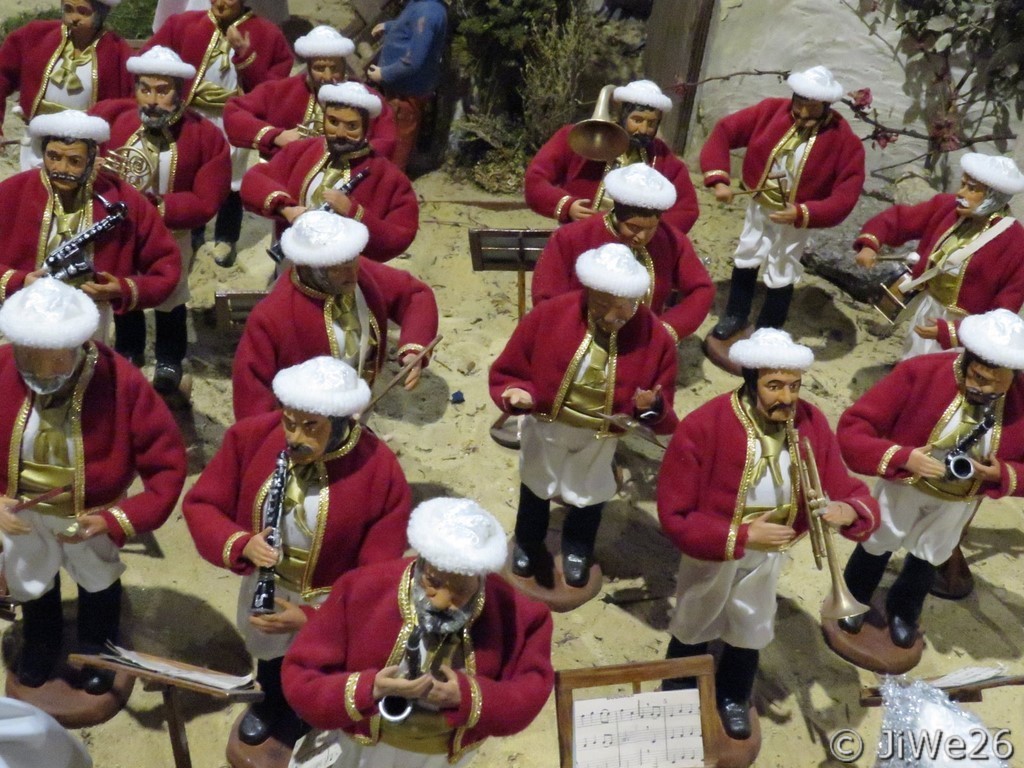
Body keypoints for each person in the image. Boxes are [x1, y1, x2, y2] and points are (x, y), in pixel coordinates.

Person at [658, 328, 878, 740]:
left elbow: (845, 486)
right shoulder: (705, 425)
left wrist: (848, 510)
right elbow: (675, 514)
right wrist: (740, 536)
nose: (787, 397)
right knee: (694, 617)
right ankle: (677, 687)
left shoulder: (810, 422)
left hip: (770, 553)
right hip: (714, 549)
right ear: (750, 381)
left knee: (752, 623)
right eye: (774, 386)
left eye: (793, 386)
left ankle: (734, 695)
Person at [183, 356, 412, 747]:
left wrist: (312, 617)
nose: (293, 436)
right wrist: (241, 543)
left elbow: (378, 573)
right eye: (290, 421)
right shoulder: (252, 438)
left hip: (329, 599)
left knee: (318, 660)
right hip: (268, 582)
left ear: (341, 423)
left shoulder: (380, 472)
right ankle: (270, 702)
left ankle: (309, 711)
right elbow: (203, 505)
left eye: (310, 427)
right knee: (269, 652)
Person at [0, 279, 186, 696]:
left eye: (55, 359)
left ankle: (97, 647)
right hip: (22, 514)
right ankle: (40, 642)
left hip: (90, 515)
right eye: (30, 357)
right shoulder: (2, 369)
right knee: (30, 577)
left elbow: (167, 464)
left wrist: (116, 520)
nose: (42, 371)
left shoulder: (121, 381)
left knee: (98, 579)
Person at [282, 496, 554, 767]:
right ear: (421, 561)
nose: (440, 601)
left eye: (459, 591)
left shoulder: (521, 616)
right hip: (362, 745)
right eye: (433, 582)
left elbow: (528, 693)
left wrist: (467, 696)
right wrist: (370, 688)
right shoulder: (360, 588)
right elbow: (301, 677)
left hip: (440, 756)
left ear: (480, 577)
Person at [491, 243, 678, 589]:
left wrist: (648, 407)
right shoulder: (551, 316)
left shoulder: (655, 338)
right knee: (535, 486)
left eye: (622, 308)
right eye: (603, 304)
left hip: (600, 434)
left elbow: (662, 405)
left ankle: (577, 548)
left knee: (591, 494)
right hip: (549, 424)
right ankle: (528, 543)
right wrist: (519, 393)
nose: (611, 316)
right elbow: (513, 367)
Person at [836, 308, 1024, 648]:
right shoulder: (921, 373)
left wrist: (1003, 474)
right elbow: (854, 428)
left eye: (993, 383)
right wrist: (904, 457)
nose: (977, 387)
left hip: (958, 500)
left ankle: (904, 609)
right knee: (878, 540)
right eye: (975, 375)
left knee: (930, 554)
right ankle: (853, 597)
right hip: (906, 484)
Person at [90, 46, 231, 395]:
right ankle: (129, 350)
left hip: (172, 234)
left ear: (179, 93)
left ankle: (170, 359)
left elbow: (207, 198)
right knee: (124, 290)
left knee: (171, 297)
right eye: (144, 88)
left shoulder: (205, 136)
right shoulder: (116, 125)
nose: (151, 100)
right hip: (123, 232)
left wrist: (157, 207)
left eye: (162, 90)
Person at [702, 66, 865, 340]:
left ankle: (769, 328)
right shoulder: (770, 112)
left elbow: (846, 194)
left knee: (783, 264)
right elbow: (725, 131)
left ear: (826, 105)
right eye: (799, 102)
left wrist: (805, 212)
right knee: (747, 252)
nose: (801, 112)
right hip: (759, 202)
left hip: (794, 215)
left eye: (811, 106)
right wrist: (719, 178)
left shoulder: (843, 141)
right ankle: (736, 314)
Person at [0, 110, 181, 354]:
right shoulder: (12, 193)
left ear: (93, 159)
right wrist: (18, 281)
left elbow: (166, 265)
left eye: (74, 161)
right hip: (23, 309)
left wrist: (122, 288)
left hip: (90, 316)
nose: (61, 168)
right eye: (53, 157)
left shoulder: (123, 199)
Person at [232, 211, 438, 421]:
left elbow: (415, 295)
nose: (352, 275)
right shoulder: (273, 316)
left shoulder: (360, 276)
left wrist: (413, 349)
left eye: (353, 262)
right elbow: (252, 394)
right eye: (337, 269)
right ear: (310, 267)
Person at [144, 0, 294, 267]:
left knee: (231, 179)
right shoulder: (184, 24)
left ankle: (226, 236)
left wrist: (245, 56)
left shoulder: (268, 34)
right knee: (191, 172)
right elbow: (150, 58)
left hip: (232, 120)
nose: (221, 2)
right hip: (191, 116)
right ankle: (195, 232)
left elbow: (272, 90)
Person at [854, 153, 1024, 359]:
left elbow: (1005, 310)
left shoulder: (1015, 243)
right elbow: (901, 219)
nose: (961, 193)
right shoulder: (947, 208)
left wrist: (953, 333)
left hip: (967, 327)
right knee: (912, 359)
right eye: (963, 184)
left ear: (992, 197)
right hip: (928, 306)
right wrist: (871, 243)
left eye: (971, 188)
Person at [531, 163, 713, 344]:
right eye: (633, 227)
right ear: (618, 216)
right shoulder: (572, 237)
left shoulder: (671, 240)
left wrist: (669, 328)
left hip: (641, 344)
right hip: (580, 338)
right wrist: (566, 330)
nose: (642, 236)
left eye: (651, 228)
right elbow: (547, 294)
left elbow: (701, 289)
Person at [240, 81, 419, 263]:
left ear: (367, 127)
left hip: (347, 274)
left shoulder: (386, 175)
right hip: (291, 264)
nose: (340, 133)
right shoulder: (300, 151)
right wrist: (286, 209)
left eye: (351, 126)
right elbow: (253, 180)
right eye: (333, 122)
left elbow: (400, 235)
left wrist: (354, 212)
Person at [525, 79, 699, 233]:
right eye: (637, 120)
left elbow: (687, 208)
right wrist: (567, 205)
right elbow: (535, 180)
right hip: (579, 236)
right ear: (622, 115)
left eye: (651, 123)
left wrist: (651, 231)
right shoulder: (580, 137)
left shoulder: (662, 157)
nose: (644, 130)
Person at [224, 25, 397, 161]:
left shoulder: (366, 98)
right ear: (308, 66)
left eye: (334, 68)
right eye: (319, 68)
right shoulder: (282, 91)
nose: (328, 76)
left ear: (344, 66)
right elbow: (234, 113)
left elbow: (387, 140)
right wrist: (276, 136)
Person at [0, 0, 133, 171]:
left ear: (101, 13)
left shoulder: (117, 51)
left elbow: (128, 106)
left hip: (83, 149)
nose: (74, 18)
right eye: (68, 9)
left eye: (83, 12)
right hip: (35, 144)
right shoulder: (35, 36)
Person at [365, 0, 449, 172]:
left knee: (399, 135)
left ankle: (393, 174)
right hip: (399, 86)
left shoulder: (428, 12)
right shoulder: (420, 6)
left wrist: (384, 74)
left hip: (407, 88)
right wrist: (390, 26)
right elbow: (409, 25)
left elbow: (414, 61)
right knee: (392, 126)